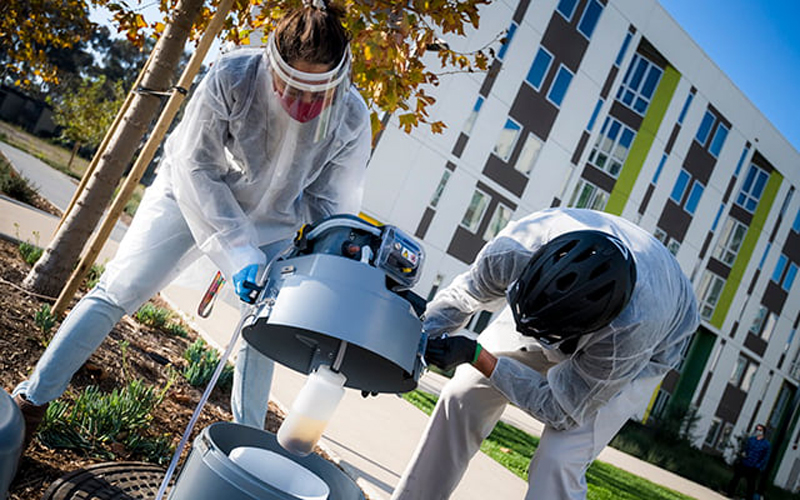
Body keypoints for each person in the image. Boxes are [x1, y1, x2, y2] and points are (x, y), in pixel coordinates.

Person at [13, 0, 371, 449]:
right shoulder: (233, 77)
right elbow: (196, 167)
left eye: (316, 95)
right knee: (119, 288)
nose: (302, 105)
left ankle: (247, 448)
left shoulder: (352, 116)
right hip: (191, 196)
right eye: (291, 88)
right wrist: (238, 249)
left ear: (337, 81)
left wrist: (332, 261)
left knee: (263, 333)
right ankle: (31, 403)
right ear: (271, 66)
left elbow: (330, 204)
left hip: (278, 223)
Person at [391, 207, 700, 500]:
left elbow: (561, 410)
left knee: (558, 460)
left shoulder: (628, 332)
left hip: (651, 342)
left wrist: (479, 356)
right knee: (462, 394)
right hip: (547, 298)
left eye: (549, 338)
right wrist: (406, 347)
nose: (535, 342)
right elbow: (462, 296)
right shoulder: (519, 247)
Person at [726, 424, 771, 500]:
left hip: (753, 467)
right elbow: (746, 449)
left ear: (763, 432)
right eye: (757, 429)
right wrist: (743, 455)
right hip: (745, 463)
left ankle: (749, 498)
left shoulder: (766, 444)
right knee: (735, 478)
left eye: (760, 430)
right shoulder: (751, 440)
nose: (758, 431)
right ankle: (729, 494)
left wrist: (758, 466)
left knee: (751, 485)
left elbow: (765, 457)